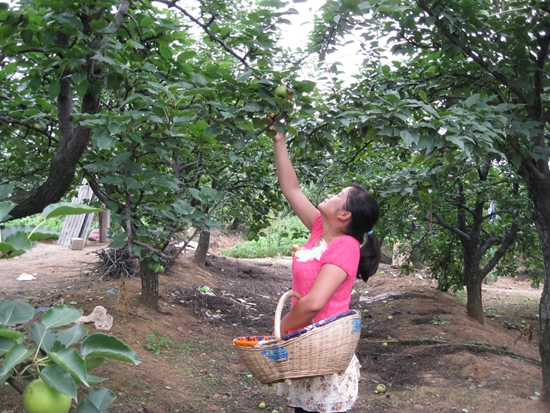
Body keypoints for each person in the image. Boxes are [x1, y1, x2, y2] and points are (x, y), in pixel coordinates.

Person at [269, 117, 381, 413]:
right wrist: (279, 140)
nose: (331, 194)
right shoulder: (320, 229)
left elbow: (313, 304)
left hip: (323, 352)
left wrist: (275, 337)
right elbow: (291, 189)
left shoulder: (345, 247)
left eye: (338, 196)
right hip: (305, 348)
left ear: (345, 215)